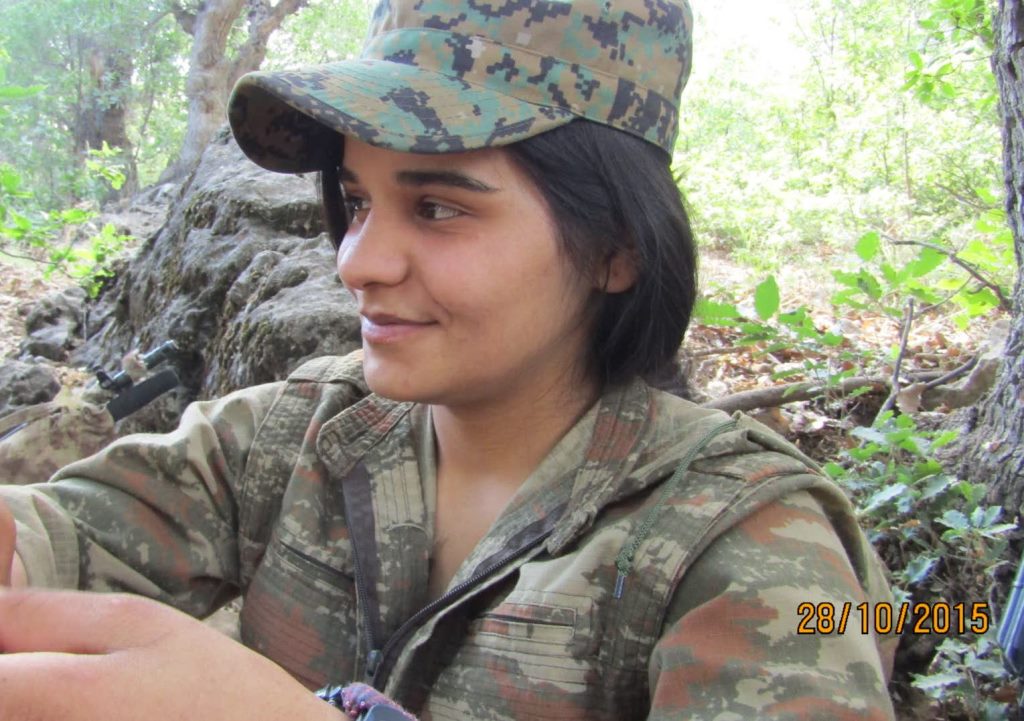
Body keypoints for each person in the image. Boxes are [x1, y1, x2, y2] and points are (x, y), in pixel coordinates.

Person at [0, 0, 898, 719]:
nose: (358, 261)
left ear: (617, 247)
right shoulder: (293, 437)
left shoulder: (747, 548)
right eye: (357, 200)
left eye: (437, 208)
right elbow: (49, 540)